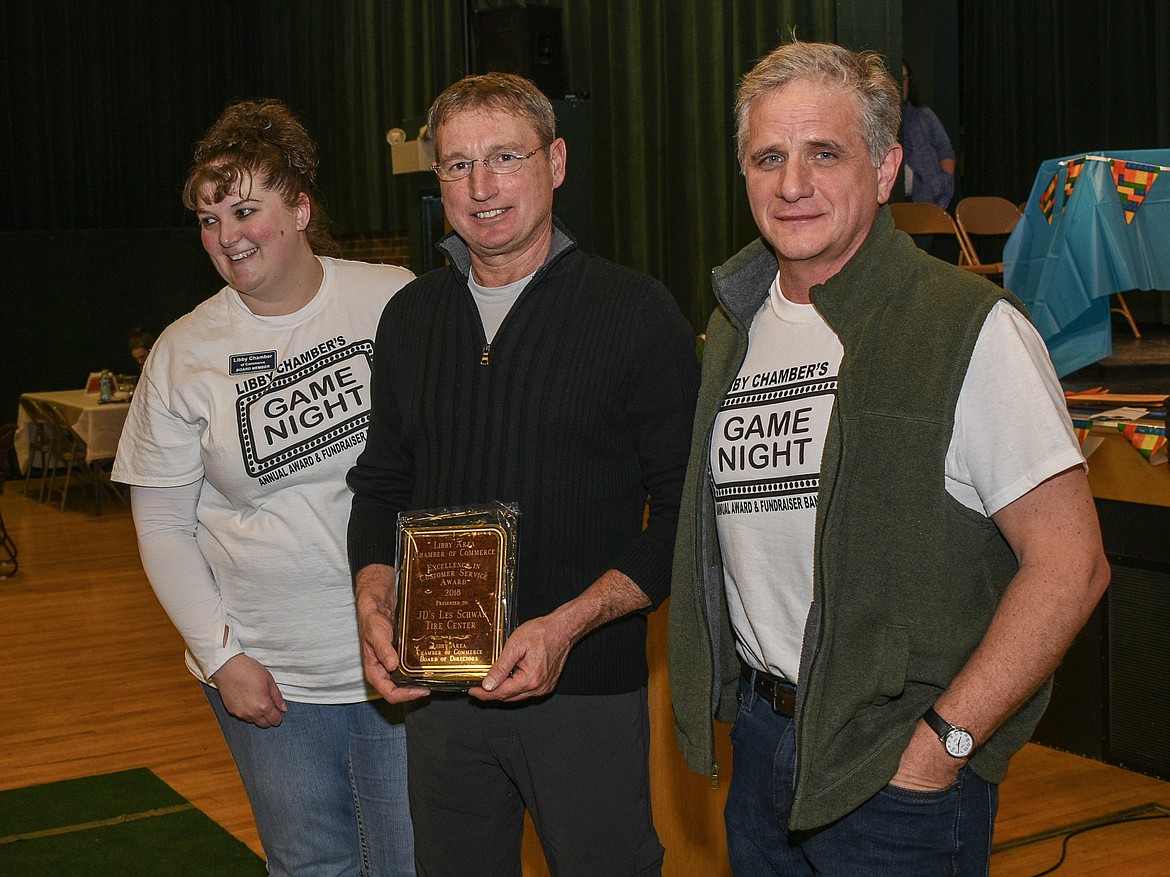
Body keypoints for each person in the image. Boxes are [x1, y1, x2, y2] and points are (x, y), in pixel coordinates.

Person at [668, 39, 1110, 876]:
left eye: (823, 153)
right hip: (764, 746)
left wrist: (941, 743)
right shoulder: (736, 324)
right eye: (769, 157)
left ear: (885, 166)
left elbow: (1072, 564)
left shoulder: (969, 328)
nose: (792, 183)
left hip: (894, 770)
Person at [347, 72, 699, 877]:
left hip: (582, 690)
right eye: (457, 164)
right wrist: (374, 593)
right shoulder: (411, 316)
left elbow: (686, 513)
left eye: (506, 156)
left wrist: (568, 625)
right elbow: (382, 483)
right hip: (439, 695)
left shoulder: (634, 312)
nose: (482, 185)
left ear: (558, 160)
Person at [112, 99, 416, 877]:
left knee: (414, 862)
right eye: (209, 220)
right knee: (311, 866)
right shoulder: (184, 353)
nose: (226, 236)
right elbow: (163, 529)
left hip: (401, 662)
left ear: (301, 207)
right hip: (271, 675)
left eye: (245, 209)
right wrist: (221, 658)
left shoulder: (393, 298)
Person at [901, 60, 956, 210]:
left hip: (927, 199)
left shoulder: (924, 115)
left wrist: (945, 181)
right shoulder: (877, 118)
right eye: (898, 78)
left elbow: (945, 149)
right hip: (891, 204)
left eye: (905, 79)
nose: (902, 84)